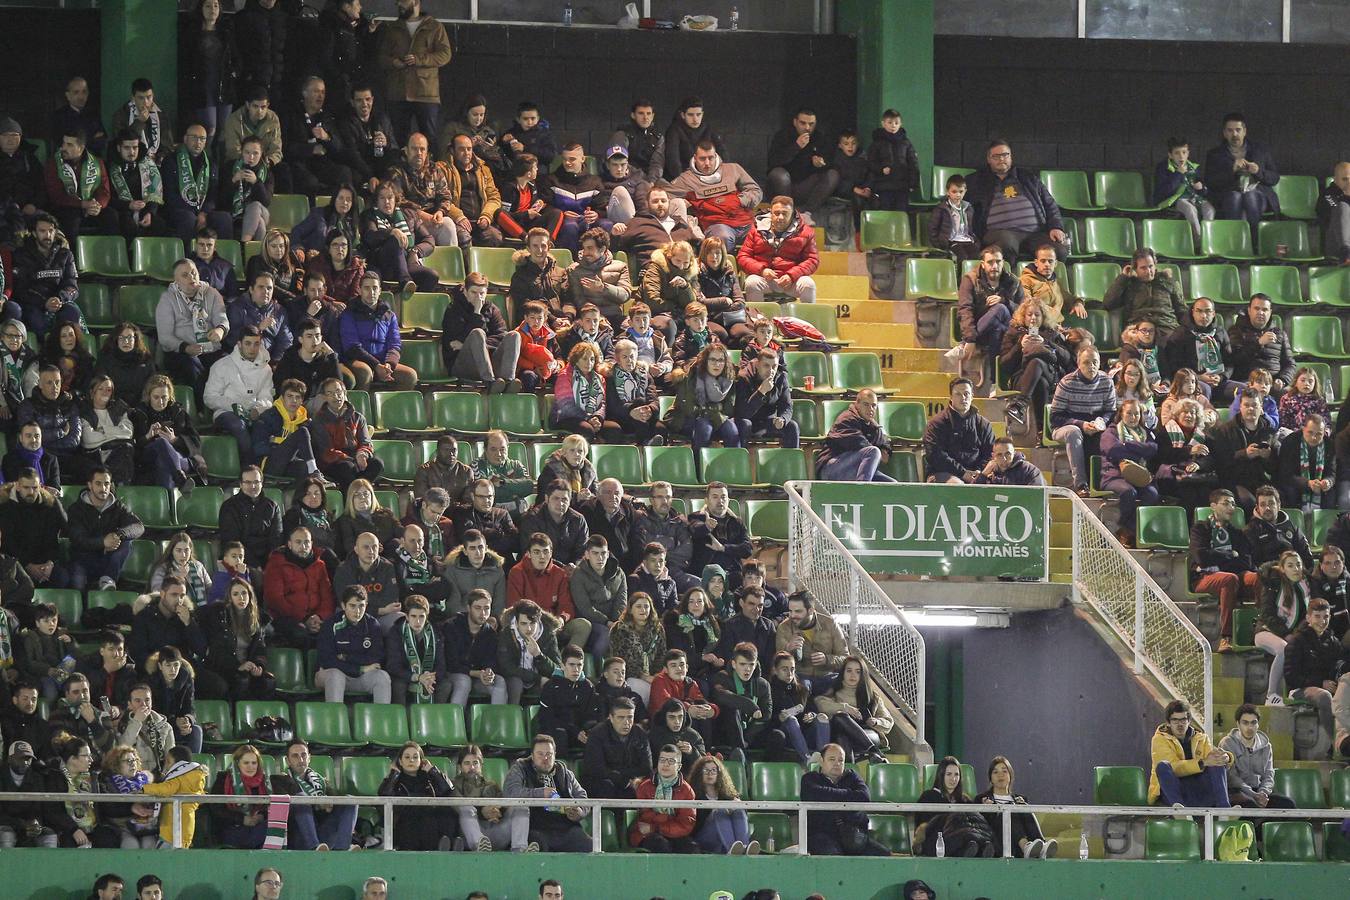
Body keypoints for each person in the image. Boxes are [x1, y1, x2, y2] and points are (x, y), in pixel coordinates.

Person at [963, 140, 1069, 262]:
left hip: (1034, 233)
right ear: (988, 159)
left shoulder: (1028, 178)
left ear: (1011, 157)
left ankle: (1040, 281)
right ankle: (1006, 277)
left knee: (1058, 252)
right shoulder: (976, 181)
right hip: (1000, 233)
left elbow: (1050, 205)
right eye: (996, 156)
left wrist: (1056, 227)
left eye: (1005, 155)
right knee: (1007, 245)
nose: (1001, 159)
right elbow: (958, 203)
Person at [1189, 489, 1261, 653]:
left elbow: (1246, 562)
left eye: (1233, 504)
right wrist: (1229, 555)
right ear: (1213, 506)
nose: (1231, 507)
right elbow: (1201, 556)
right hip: (1203, 577)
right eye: (1226, 503)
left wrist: (1218, 557)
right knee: (1229, 579)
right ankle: (1226, 637)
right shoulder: (1201, 529)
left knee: (1258, 577)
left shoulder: (1237, 533)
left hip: (1233, 576)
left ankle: (1260, 629)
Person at [503, 734, 591, 853]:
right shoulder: (520, 769)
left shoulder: (565, 773)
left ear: (555, 754)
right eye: (540, 754)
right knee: (536, 844)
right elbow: (511, 793)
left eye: (549, 754)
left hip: (565, 828)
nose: (545, 758)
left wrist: (580, 811)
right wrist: (539, 793)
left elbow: (583, 797)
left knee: (590, 845)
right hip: (534, 828)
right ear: (532, 756)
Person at [378, 0, 451, 143]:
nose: (399, 4)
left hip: (426, 93)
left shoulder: (435, 26)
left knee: (429, 137)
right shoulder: (393, 28)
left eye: (403, 1)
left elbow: (445, 54)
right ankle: (401, 164)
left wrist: (419, 60)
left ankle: (429, 165)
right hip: (398, 92)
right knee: (399, 136)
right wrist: (394, 62)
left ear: (415, 2)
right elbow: (382, 57)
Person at [801, 743, 891, 856]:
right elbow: (815, 794)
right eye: (832, 759)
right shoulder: (810, 779)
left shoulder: (852, 777)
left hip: (853, 835)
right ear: (821, 760)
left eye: (841, 760)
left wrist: (830, 795)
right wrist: (849, 795)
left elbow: (864, 797)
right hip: (821, 835)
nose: (837, 764)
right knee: (832, 856)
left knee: (884, 855)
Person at [1280, 601, 1345, 758]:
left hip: (1327, 687)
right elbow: (1291, 676)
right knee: (1324, 696)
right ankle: (1336, 745)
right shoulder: (1297, 641)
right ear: (1308, 618)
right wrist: (1319, 683)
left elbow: (1339, 668)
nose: (1322, 621)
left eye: (1326, 617)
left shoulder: (1333, 642)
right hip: (1299, 689)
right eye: (1317, 616)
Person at [1049, 347, 1117, 497]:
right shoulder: (1067, 382)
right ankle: (1081, 484)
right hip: (1065, 427)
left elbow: (1111, 411)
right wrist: (1081, 424)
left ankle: (1106, 482)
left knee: (1110, 434)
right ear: (1079, 363)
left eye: (1095, 362)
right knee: (1074, 432)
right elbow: (1055, 417)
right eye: (1086, 362)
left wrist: (1101, 422)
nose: (1091, 366)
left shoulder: (1107, 381)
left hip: (1095, 424)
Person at [670, 140, 761, 251]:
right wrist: (681, 205)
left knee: (764, 236)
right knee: (722, 238)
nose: (707, 163)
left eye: (711, 158)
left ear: (716, 156)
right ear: (695, 158)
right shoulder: (685, 180)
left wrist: (739, 200)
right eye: (702, 159)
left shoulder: (733, 169)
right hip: (717, 225)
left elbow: (755, 190)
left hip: (745, 221)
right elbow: (663, 196)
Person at [1204, 112, 1280, 241]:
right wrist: (1231, 170)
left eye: (1238, 130)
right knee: (1235, 196)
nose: (1234, 134)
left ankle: (1255, 243)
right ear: (1224, 133)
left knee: (1250, 196)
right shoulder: (1215, 154)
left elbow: (1274, 178)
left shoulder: (1260, 150)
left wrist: (1258, 171)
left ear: (1244, 131)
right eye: (1230, 130)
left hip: (1257, 194)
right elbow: (1210, 181)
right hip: (1228, 195)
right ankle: (1236, 243)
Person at [66, 466, 144, 592]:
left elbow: (138, 526)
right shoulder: (76, 509)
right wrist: (103, 542)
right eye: (98, 484)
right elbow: (78, 540)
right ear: (89, 485)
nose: (103, 488)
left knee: (126, 541)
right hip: (83, 561)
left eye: (106, 484)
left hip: (108, 561)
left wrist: (119, 535)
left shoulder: (118, 506)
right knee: (77, 584)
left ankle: (108, 579)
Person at [441, 272, 520, 392]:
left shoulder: (492, 309)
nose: (479, 297)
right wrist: (476, 314)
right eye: (474, 293)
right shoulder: (454, 309)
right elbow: (454, 341)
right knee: (477, 333)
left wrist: (477, 345)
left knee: (514, 335)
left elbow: (501, 336)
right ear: (465, 291)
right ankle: (489, 383)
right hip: (462, 364)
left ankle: (507, 381)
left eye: (482, 293)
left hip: (490, 360)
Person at [956, 245, 1022, 388]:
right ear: (983, 264)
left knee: (1000, 308)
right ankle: (994, 383)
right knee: (996, 329)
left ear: (1003, 263)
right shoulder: (971, 280)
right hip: (981, 330)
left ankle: (963, 345)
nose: (994, 266)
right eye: (990, 262)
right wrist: (971, 338)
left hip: (1009, 331)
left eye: (998, 262)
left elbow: (1023, 311)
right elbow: (965, 310)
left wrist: (1005, 301)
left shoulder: (1013, 282)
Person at [1203, 391, 1278, 515]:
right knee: (1249, 502)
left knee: (1278, 498)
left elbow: (1275, 467)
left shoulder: (1268, 432)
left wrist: (1268, 457)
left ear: (1261, 408)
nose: (1250, 409)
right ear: (1240, 408)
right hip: (1234, 481)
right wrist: (1244, 454)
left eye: (1254, 405)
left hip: (1260, 480)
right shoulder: (1225, 431)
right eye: (1246, 405)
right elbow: (1220, 463)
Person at [1216, 703, 1297, 816]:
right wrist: (1253, 794)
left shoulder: (1266, 746)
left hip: (1259, 791)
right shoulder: (1227, 743)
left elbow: (1269, 774)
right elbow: (1232, 778)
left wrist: (1263, 793)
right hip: (1237, 792)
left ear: (1258, 724)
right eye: (1245, 723)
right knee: (1251, 807)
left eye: (1253, 723)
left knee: (1288, 805)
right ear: (1238, 724)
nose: (1250, 727)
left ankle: (1265, 831)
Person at [376, 739, 458, 851]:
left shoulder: (428, 778)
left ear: (421, 761)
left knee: (447, 812)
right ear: (400, 761)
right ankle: (440, 847)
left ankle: (447, 845)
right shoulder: (395, 780)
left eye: (415, 757)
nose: (411, 760)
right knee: (420, 816)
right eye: (407, 757)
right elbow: (384, 795)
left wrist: (432, 770)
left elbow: (447, 790)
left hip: (428, 821)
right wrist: (393, 774)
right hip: (405, 822)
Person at [1100, 398, 1161, 548]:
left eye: (1137, 414)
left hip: (1139, 477)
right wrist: (1140, 449)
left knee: (1152, 494)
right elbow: (1112, 450)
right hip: (1113, 476)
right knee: (1129, 492)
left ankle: (1127, 529)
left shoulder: (1146, 432)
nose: (1133, 417)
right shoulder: (1111, 431)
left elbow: (1153, 449)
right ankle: (1125, 530)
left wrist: (1126, 445)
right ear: (1121, 414)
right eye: (1129, 413)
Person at [1148, 699, 1232, 807]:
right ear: (1168, 722)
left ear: (1189, 721)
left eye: (1183, 720)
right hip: (1173, 793)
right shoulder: (1159, 739)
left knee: (1216, 762)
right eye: (1175, 720)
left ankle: (1224, 810)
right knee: (1162, 766)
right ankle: (1181, 812)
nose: (1180, 724)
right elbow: (1174, 768)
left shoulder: (1201, 738)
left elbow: (1212, 761)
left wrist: (1227, 757)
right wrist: (1202, 763)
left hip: (1198, 791)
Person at [340, 272, 417, 390]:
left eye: (375, 288)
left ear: (380, 290)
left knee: (410, 376)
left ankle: (389, 407)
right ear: (359, 290)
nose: (371, 292)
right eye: (366, 288)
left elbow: (395, 345)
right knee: (365, 373)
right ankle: (363, 407)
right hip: (358, 360)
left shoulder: (390, 315)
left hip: (382, 362)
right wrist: (376, 365)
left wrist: (389, 364)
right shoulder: (349, 313)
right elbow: (352, 347)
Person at [202, 578, 275, 701]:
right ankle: (235, 715)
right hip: (225, 668)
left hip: (247, 667)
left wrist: (258, 665)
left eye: (244, 593)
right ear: (230, 598)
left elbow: (260, 648)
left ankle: (262, 717)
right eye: (235, 594)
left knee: (268, 681)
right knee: (241, 680)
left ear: (250, 595)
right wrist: (238, 666)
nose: (241, 597)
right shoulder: (221, 617)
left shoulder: (257, 619)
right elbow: (218, 651)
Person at [359, 182, 439, 293]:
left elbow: (429, 240)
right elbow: (370, 237)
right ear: (376, 200)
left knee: (431, 276)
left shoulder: (409, 215)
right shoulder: (369, 215)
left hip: (406, 264)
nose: (386, 202)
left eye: (390, 197)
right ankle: (405, 282)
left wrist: (415, 251)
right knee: (394, 240)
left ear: (395, 199)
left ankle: (412, 305)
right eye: (382, 198)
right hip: (383, 265)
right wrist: (391, 232)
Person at [11, 213, 83, 337]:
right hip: (33, 303)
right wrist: (44, 302)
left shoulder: (65, 254)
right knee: (36, 319)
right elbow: (20, 289)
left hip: (58, 302)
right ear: (34, 233)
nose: (48, 235)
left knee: (72, 311)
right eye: (42, 231)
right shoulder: (21, 255)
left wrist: (60, 299)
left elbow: (72, 286)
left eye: (51, 231)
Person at [316, 585, 391, 704]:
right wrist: (361, 668)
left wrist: (346, 657)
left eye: (361, 606)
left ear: (366, 605)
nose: (357, 611)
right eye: (352, 606)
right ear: (343, 605)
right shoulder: (330, 624)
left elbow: (376, 657)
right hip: (331, 675)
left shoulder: (372, 624)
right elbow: (328, 660)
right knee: (336, 675)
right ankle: (336, 721)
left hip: (361, 676)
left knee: (382, 676)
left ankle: (381, 720)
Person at [263, 526, 334, 649]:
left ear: (311, 543)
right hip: (286, 618)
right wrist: (304, 618)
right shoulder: (276, 564)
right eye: (298, 542)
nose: (303, 546)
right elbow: (275, 599)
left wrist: (319, 617)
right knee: (300, 635)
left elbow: (327, 596)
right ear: (289, 544)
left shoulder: (319, 565)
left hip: (316, 618)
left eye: (306, 542)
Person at [665, 343, 741, 456]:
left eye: (721, 360)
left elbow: (729, 409)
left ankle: (735, 468)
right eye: (713, 360)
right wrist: (715, 410)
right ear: (706, 361)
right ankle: (697, 469)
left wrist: (712, 412)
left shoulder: (729, 379)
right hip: (687, 418)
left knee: (731, 429)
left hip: (717, 418)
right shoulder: (692, 377)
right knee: (704, 426)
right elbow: (689, 408)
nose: (717, 364)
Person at [974, 756, 1056, 859]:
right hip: (997, 842)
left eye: (1004, 771)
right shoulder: (982, 799)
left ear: (1010, 775)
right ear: (990, 778)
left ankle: (1041, 847)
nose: (1000, 775)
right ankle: (1026, 847)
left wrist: (1022, 806)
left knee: (1023, 807)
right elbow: (980, 826)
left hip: (1016, 847)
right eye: (995, 772)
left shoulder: (1020, 799)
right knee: (1008, 811)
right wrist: (987, 810)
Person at [812, 656, 891, 764]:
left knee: (843, 736)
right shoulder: (835, 692)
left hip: (867, 734)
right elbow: (820, 703)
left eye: (858, 672)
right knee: (840, 721)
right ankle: (873, 753)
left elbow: (888, 721)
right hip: (839, 737)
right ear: (843, 673)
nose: (853, 675)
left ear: (862, 675)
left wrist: (876, 721)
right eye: (849, 671)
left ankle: (852, 769)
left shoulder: (873, 696)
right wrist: (844, 707)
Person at [43, 128, 118, 240]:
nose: (63, 148)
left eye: (69, 145)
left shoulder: (97, 163)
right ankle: (71, 256)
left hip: (92, 207)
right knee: (71, 220)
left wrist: (97, 205)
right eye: (63, 143)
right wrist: (82, 204)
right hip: (67, 207)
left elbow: (104, 191)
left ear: (81, 148)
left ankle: (107, 255)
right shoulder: (53, 164)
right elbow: (56, 195)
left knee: (111, 216)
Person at [162, 123, 232, 242]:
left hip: (203, 211)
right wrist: (194, 212)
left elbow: (213, 195)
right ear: (185, 139)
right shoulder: (171, 160)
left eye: (202, 138)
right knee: (188, 218)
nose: (198, 142)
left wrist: (204, 213)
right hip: (179, 209)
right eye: (194, 137)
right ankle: (187, 258)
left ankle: (221, 258)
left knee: (224, 218)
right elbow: (170, 193)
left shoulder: (211, 164)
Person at [311, 378, 384, 490]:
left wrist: (362, 455)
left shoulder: (358, 417)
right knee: (347, 468)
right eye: (330, 393)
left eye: (338, 392)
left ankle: (357, 493)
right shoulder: (319, 420)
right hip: (333, 460)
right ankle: (353, 498)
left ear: (344, 393)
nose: (336, 396)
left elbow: (366, 442)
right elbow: (326, 452)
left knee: (377, 464)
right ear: (325, 398)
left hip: (356, 456)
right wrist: (352, 460)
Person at [1102, 247, 1188, 339]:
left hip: (1166, 327)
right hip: (1138, 328)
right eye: (1143, 268)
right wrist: (1123, 278)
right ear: (1135, 269)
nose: (1148, 271)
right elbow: (1108, 304)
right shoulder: (1128, 285)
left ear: (1155, 265)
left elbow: (1182, 310)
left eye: (1150, 266)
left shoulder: (1169, 283)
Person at [914, 756, 992, 857]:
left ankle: (982, 848)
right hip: (937, 841)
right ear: (941, 776)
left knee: (973, 840)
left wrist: (983, 808)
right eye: (949, 774)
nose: (953, 779)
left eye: (956, 775)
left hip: (965, 841)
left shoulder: (964, 800)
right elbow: (926, 827)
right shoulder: (928, 796)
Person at [923, 377, 995, 484]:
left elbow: (990, 453)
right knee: (958, 486)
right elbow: (936, 455)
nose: (963, 398)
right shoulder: (937, 423)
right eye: (958, 394)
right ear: (951, 397)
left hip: (978, 474)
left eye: (966, 394)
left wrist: (979, 472)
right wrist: (963, 473)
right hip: (942, 473)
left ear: (972, 396)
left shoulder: (983, 424)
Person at [628, 744, 698, 853]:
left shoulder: (687, 791)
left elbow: (686, 823)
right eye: (662, 760)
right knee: (660, 845)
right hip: (647, 834)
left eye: (671, 761)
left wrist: (657, 827)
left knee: (691, 848)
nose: (665, 764)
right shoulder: (645, 786)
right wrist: (669, 818)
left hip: (671, 833)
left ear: (679, 766)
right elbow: (644, 816)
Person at [710, 642, 774, 757]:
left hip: (751, 734)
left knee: (778, 736)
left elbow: (766, 715)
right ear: (734, 664)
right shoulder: (722, 677)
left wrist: (747, 739)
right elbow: (722, 695)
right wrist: (750, 706)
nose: (747, 669)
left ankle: (765, 772)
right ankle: (740, 756)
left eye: (751, 664)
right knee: (733, 709)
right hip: (727, 733)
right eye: (743, 664)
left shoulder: (763, 684)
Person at [817, 388, 895, 483]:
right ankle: (861, 493)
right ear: (857, 404)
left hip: (857, 470)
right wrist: (877, 452)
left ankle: (863, 488)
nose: (870, 409)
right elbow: (858, 442)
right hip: (831, 469)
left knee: (892, 484)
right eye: (866, 404)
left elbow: (884, 445)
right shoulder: (847, 419)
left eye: (873, 406)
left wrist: (884, 450)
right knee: (873, 451)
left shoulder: (873, 426)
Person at [445, 587, 507, 706]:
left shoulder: (490, 634)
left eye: (486, 608)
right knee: (464, 681)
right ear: (469, 608)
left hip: (478, 676)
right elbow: (451, 663)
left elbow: (491, 660)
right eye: (478, 608)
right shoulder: (452, 627)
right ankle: (456, 722)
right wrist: (475, 673)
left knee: (499, 681)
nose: (483, 613)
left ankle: (497, 721)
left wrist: (489, 672)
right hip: (453, 674)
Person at [569, 534, 627, 659]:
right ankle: (599, 670)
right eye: (595, 553)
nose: (600, 558)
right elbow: (584, 607)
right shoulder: (578, 575)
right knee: (605, 634)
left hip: (614, 621)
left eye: (603, 553)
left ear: (608, 553)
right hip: (591, 622)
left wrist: (616, 621)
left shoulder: (619, 573)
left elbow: (621, 601)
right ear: (587, 555)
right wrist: (606, 622)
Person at [582, 696, 651, 799]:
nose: (626, 722)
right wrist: (623, 779)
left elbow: (646, 768)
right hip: (602, 782)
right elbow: (596, 769)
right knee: (607, 786)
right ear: (611, 717)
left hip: (631, 781)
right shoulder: (597, 734)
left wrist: (628, 778)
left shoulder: (640, 735)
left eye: (630, 717)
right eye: (621, 717)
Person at [540, 143, 605, 253]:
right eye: (564, 159)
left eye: (572, 159)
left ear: (582, 159)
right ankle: (572, 264)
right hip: (564, 222)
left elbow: (602, 207)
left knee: (606, 224)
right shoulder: (552, 180)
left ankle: (603, 261)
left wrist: (596, 214)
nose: (567, 163)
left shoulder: (595, 181)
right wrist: (563, 213)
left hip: (587, 221)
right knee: (570, 226)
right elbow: (545, 206)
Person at [332, 531, 405, 629]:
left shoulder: (387, 567)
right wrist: (381, 610)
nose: (371, 551)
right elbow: (346, 603)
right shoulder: (344, 569)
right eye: (366, 547)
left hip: (382, 617)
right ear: (356, 550)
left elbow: (391, 600)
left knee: (401, 620)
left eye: (374, 547)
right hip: (352, 616)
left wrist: (369, 604)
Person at [775, 590, 846, 690]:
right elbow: (777, 663)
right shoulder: (784, 627)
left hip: (827, 676)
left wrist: (827, 659)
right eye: (790, 611)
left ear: (811, 610)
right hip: (800, 676)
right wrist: (788, 649)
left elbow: (845, 657)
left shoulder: (830, 624)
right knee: (802, 687)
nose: (792, 616)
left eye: (798, 611)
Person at [385, 594, 448, 705]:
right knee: (399, 685)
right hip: (405, 676)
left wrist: (430, 678)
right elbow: (393, 666)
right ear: (407, 617)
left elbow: (441, 664)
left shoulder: (435, 634)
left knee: (446, 685)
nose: (418, 622)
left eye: (421, 617)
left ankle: (434, 718)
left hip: (427, 675)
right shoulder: (395, 633)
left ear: (426, 617)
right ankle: (402, 720)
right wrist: (417, 677)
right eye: (414, 616)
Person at [619, 186, 700, 273]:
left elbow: (699, 245)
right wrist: (615, 234)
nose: (660, 204)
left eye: (663, 201)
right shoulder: (637, 223)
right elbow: (618, 245)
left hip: (685, 271)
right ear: (647, 204)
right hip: (656, 273)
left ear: (668, 202)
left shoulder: (680, 222)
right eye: (655, 201)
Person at [1153, 136, 1214, 247]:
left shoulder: (1193, 167)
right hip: (1176, 200)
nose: (1181, 156)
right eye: (1177, 153)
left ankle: (1208, 240)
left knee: (1209, 209)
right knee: (1190, 209)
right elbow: (1164, 191)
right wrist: (1178, 174)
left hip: (1194, 197)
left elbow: (1204, 191)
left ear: (1188, 153)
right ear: (1170, 155)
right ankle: (1199, 242)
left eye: (1184, 152)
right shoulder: (1163, 168)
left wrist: (1201, 188)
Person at [498, 599, 562, 704]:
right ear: (516, 622)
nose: (529, 628)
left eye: (532, 623)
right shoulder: (507, 633)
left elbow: (557, 671)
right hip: (517, 679)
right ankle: (513, 717)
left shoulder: (548, 635)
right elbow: (506, 667)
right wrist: (537, 678)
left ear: (539, 620)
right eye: (523, 624)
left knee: (554, 686)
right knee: (516, 683)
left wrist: (539, 655)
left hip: (539, 683)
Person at [105, 128, 163, 242]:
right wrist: (128, 205)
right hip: (122, 210)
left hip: (144, 210)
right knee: (126, 224)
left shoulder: (147, 165)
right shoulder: (110, 168)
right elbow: (108, 198)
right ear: (118, 148)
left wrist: (149, 213)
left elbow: (155, 193)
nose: (132, 152)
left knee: (159, 224)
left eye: (135, 147)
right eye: (127, 148)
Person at [689, 754, 754, 855]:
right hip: (703, 836)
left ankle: (744, 848)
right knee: (720, 811)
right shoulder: (693, 794)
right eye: (706, 770)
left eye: (714, 770)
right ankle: (731, 850)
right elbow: (695, 823)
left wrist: (737, 805)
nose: (710, 774)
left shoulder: (726, 795)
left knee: (739, 810)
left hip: (725, 836)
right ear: (699, 773)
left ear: (719, 773)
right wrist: (715, 809)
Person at [1228, 293, 1295, 391]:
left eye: (1265, 310)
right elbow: (1234, 360)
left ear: (1270, 312)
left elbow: (1290, 364)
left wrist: (1282, 379)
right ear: (1249, 310)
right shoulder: (1236, 331)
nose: (1261, 313)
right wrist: (1258, 343)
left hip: (1272, 384)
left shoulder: (1280, 334)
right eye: (1256, 308)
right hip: (1247, 382)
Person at [218, 467, 283, 568]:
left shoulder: (272, 507)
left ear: (262, 483)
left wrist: (269, 564)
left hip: (267, 563)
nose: (253, 486)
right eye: (248, 482)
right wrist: (255, 565)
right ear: (240, 484)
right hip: (239, 561)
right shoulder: (229, 506)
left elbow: (276, 539)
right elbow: (231, 540)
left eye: (256, 482)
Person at [537, 644, 596, 756]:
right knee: (560, 734)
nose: (576, 669)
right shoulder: (551, 686)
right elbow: (547, 717)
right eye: (571, 665)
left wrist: (586, 730)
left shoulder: (588, 687)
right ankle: (560, 771)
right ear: (562, 665)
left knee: (598, 734)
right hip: (556, 731)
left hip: (579, 732)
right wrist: (575, 731)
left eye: (579, 665)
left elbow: (591, 715)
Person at [605, 338, 665, 446]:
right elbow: (613, 406)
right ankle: (645, 445)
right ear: (618, 360)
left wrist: (650, 409)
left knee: (661, 428)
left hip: (645, 414)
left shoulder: (645, 375)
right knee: (640, 402)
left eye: (632, 356)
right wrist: (631, 411)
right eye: (625, 357)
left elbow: (653, 399)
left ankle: (650, 452)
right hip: (622, 417)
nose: (629, 360)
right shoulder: (611, 378)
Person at [688, 482, 752, 581]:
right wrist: (707, 527)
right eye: (715, 497)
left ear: (728, 500)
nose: (720, 501)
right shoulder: (697, 517)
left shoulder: (736, 522)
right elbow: (695, 530)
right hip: (705, 574)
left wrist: (723, 548)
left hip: (732, 573)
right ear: (707, 500)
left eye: (723, 497)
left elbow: (748, 549)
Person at [1276, 413, 1336, 512]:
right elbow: (1285, 474)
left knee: (1330, 495)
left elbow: (1332, 472)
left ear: (1324, 432)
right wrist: (1307, 483)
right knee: (1291, 492)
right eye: (1310, 432)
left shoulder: (1329, 445)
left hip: (1319, 484)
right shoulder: (1290, 442)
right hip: (1296, 482)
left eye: (1318, 434)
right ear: (1303, 429)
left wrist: (1328, 482)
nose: (1314, 437)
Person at [1019, 242, 1084, 329]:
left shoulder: (1055, 282)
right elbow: (1029, 307)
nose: (1047, 264)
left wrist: (1078, 303)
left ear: (1055, 264)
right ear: (1036, 263)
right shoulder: (1026, 280)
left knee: (1085, 339)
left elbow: (1069, 298)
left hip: (1057, 328)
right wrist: (1052, 324)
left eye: (1050, 261)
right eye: (1043, 261)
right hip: (1036, 329)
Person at [662, 96, 724, 182]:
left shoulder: (708, 127)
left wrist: (724, 174)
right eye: (690, 115)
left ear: (702, 114)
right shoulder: (673, 130)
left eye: (698, 115)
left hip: (708, 175)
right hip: (683, 177)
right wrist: (684, 180)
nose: (695, 119)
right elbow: (673, 161)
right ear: (683, 115)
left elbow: (722, 151)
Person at [550, 342, 606, 437]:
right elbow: (566, 406)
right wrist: (588, 418)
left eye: (592, 359)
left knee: (614, 430)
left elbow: (602, 403)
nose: (589, 363)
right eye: (584, 359)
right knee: (587, 430)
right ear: (576, 360)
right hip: (564, 417)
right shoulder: (565, 375)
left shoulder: (599, 379)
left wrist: (597, 417)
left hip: (591, 417)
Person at [649, 692, 709, 772]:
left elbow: (703, 766)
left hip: (688, 779)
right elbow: (648, 764)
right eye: (672, 717)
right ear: (664, 717)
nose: (677, 722)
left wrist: (692, 752)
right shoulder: (653, 735)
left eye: (680, 717)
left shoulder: (693, 735)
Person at [1279, 366, 1330, 434]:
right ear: (1296, 382)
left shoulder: (1319, 400)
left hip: (1313, 433)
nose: (1306, 384)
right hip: (1292, 433)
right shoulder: (1286, 399)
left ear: (1315, 384)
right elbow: (1283, 420)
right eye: (1303, 380)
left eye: (1310, 381)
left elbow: (1325, 420)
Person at [1318, 161, 1350, 264]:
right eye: (1345, 179)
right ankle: (1346, 253)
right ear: (1335, 179)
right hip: (1336, 243)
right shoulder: (1327, 195)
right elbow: (1334, 213)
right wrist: (1346, 196)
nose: (1349, 183)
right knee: (1342, 207)